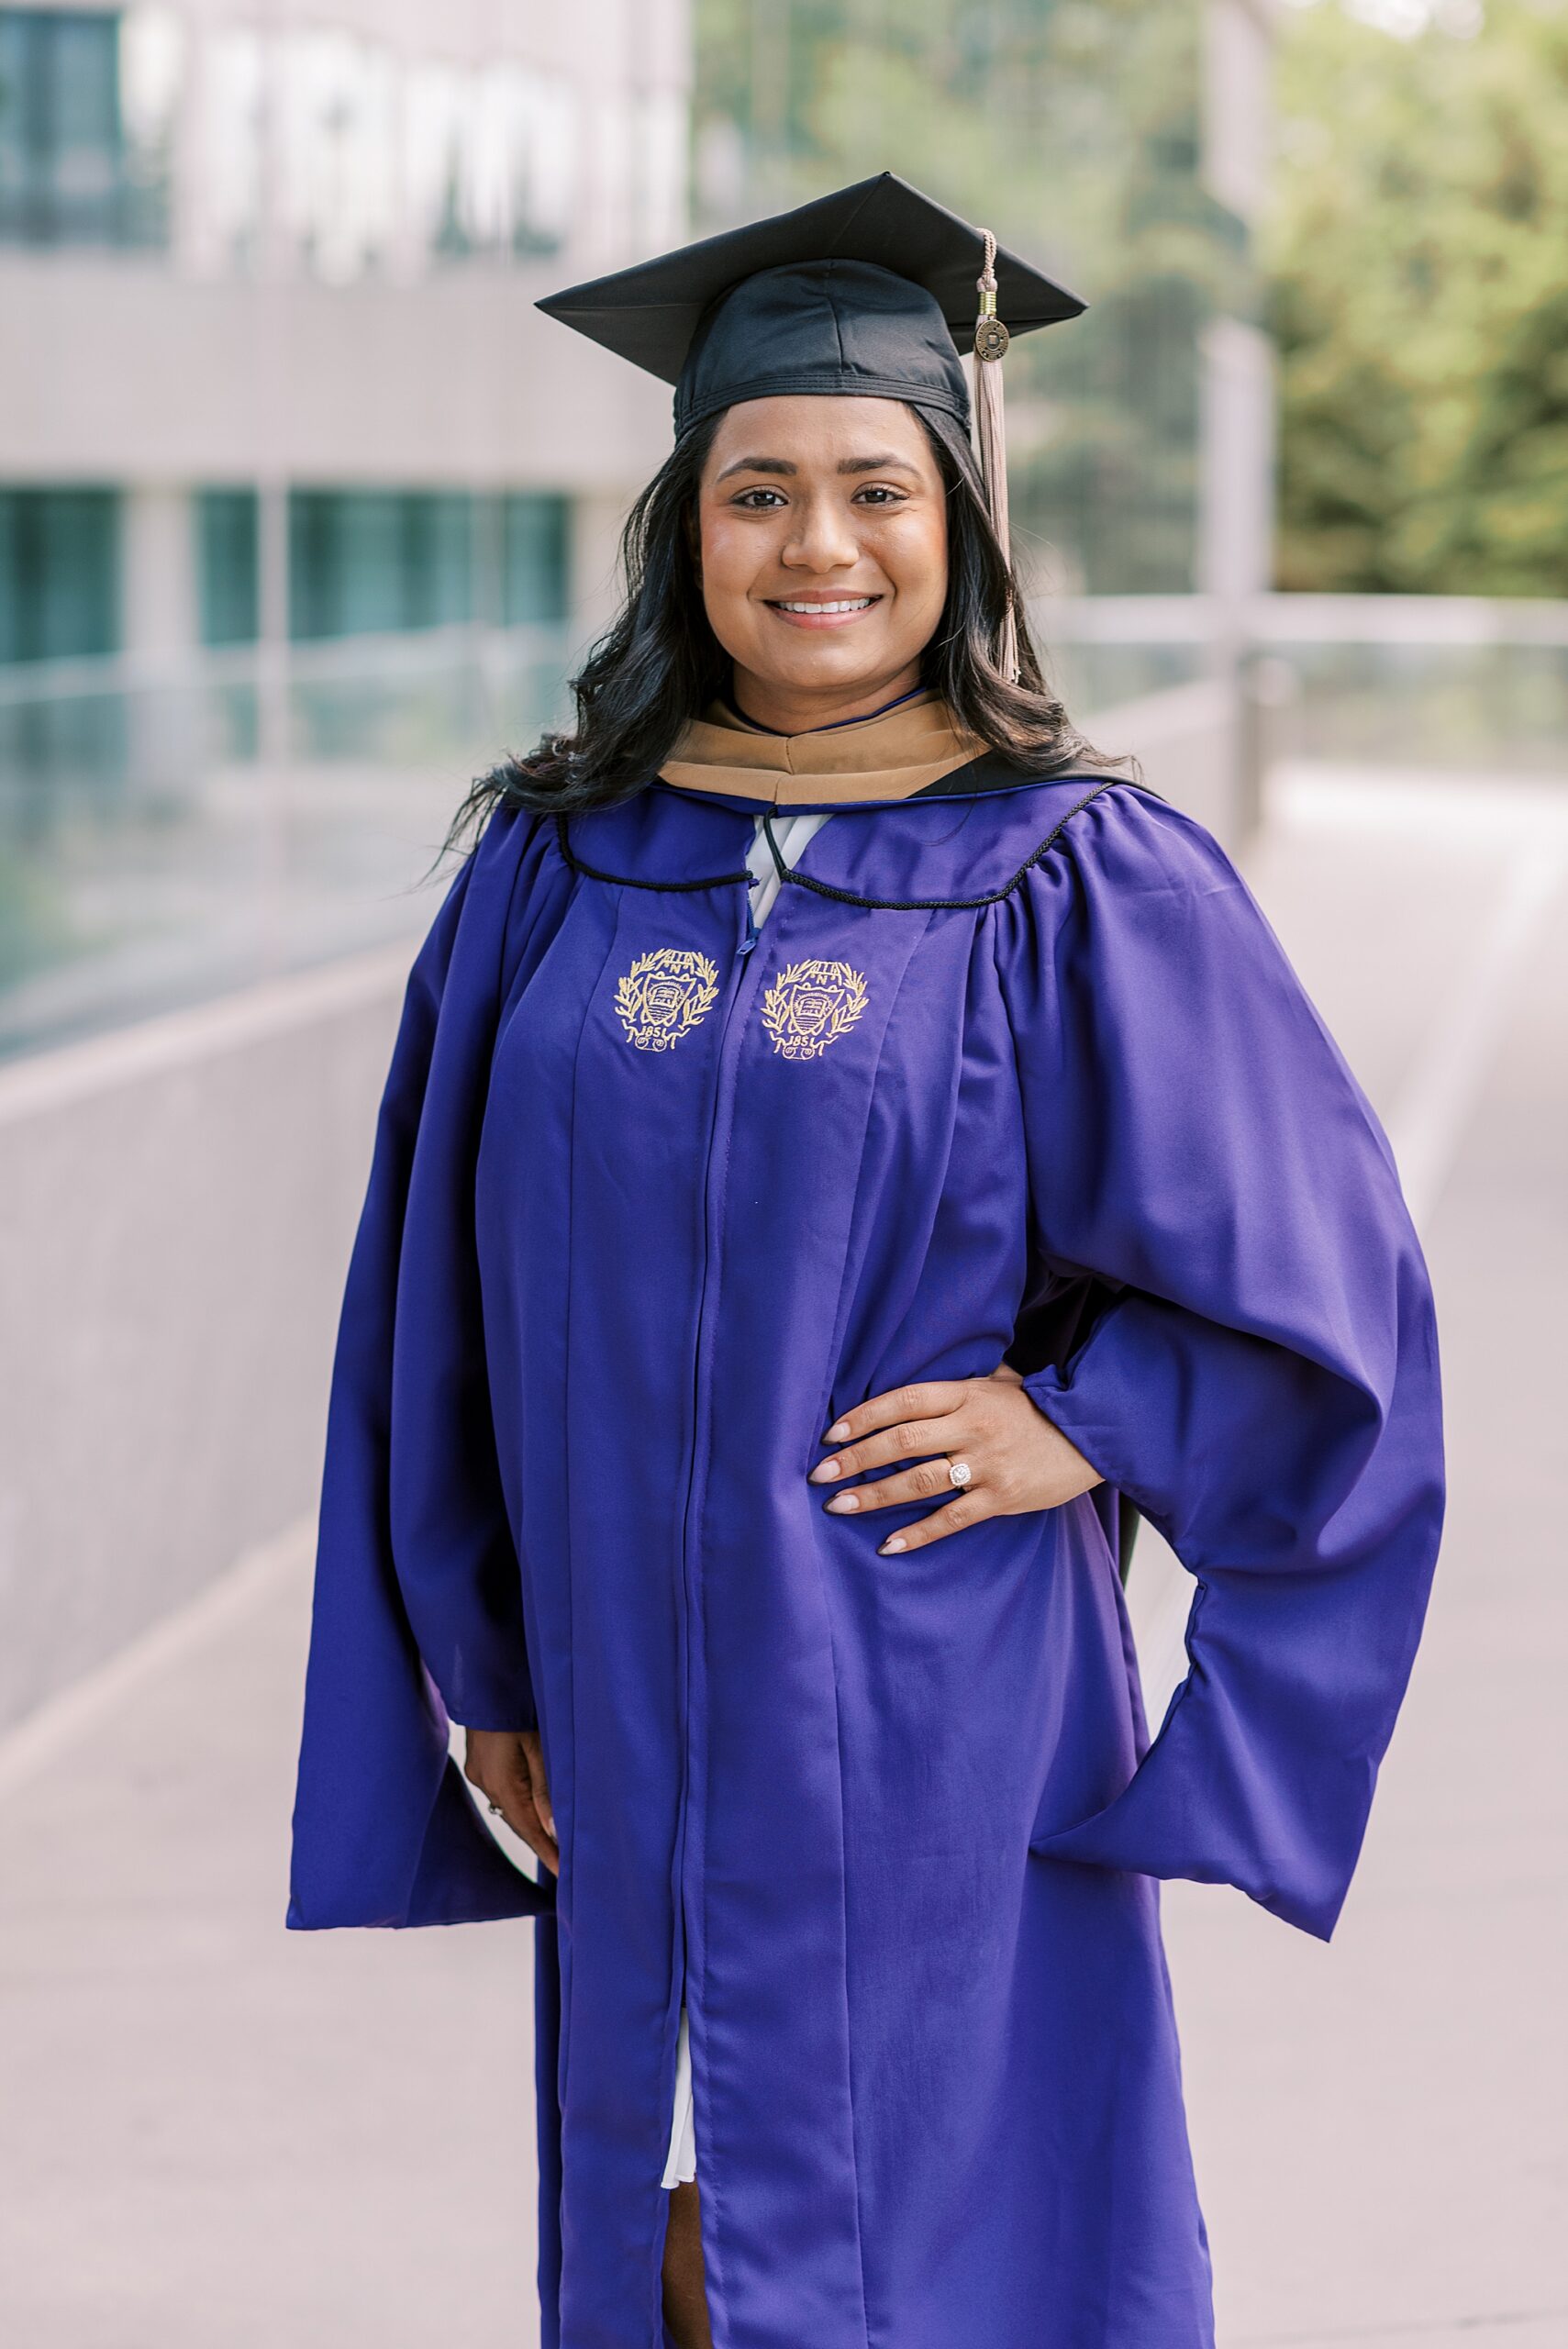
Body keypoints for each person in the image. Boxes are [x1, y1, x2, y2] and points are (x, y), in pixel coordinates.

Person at [287, 174, 1444, 2349]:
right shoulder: (552, 866)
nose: (818, 545)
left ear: (959, 520)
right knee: (669, 2215)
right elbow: (424, 1306)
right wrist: (487, 1655)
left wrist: (1081, 1418)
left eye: (873, 488)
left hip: (936, 1697)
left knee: (941, 2221)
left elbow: (1332, 1289)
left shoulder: (1078, 867)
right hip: (625, 1690)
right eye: (758, 492)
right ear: (683, 526)